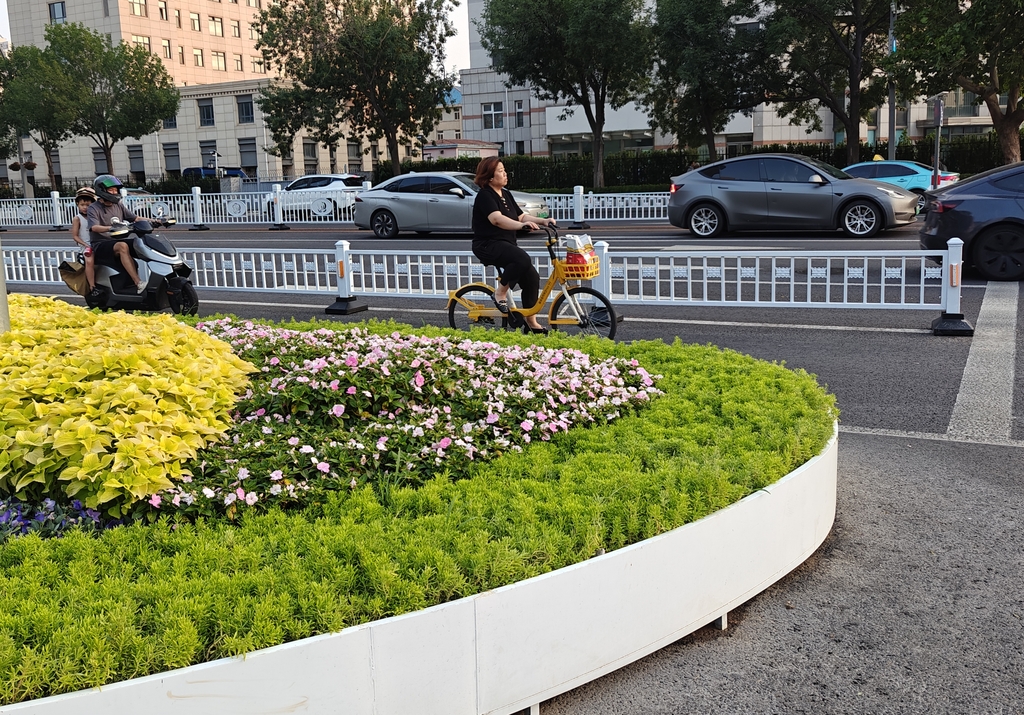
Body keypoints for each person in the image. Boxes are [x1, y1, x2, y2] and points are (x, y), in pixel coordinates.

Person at [471, 157, 556, 334]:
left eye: (504, 170)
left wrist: (544, 221)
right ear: (489, 177)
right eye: (500, 171)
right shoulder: (485, 195)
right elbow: (496, 219)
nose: (505, 173)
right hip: (488, 244)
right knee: (521, 258)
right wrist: (520, 226)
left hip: (505, 243)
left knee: (531, 276)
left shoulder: (505, 194)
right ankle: (500, 293)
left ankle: (531, 321)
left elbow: (521, 216)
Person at [87, 174, 147, 293]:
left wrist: (155, 221)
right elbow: (94, 227)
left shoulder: (118, 205)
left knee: (140, 242)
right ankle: (138, 283)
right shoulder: (93, 208)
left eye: (116, 189)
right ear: (102, 190)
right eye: (111, 189)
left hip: (116, 241)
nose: (114, 192)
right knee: (122, 246)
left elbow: (134, 218)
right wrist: (112, 227)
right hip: (100, 245)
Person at [69, 187, 99, 294]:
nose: (85, 208)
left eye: (88, 205)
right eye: (82, 205)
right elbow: (75, 236)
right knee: (90, 261)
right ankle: (92, 286)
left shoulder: (94, 216)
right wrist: (86, 245)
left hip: (97, 243)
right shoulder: (77, 218)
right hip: (86, 246)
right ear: (77, 204)